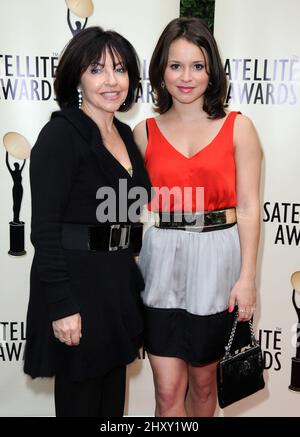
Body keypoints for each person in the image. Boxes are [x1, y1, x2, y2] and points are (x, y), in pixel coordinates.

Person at [134, 17, 261, 417]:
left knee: (205, 390)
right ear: (160, 71)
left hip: (217, 267)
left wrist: (247, 279)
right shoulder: (144, 132)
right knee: (167, 393)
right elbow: (129, 211)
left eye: (197, 66)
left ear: (212, 72)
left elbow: (249, 208)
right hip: (159, 265)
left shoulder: (239, 128)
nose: (186, 77)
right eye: (175, 66)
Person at [24, 26, 151, 417]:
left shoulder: (126, 135)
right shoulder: (61, 135)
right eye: (97, 70)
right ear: (77, 77)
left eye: (120, 69)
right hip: (76, 292)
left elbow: (129, 216)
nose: (112, 81)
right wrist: (62, 307)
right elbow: (45, 231)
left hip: (115, 290)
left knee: (112, 407)